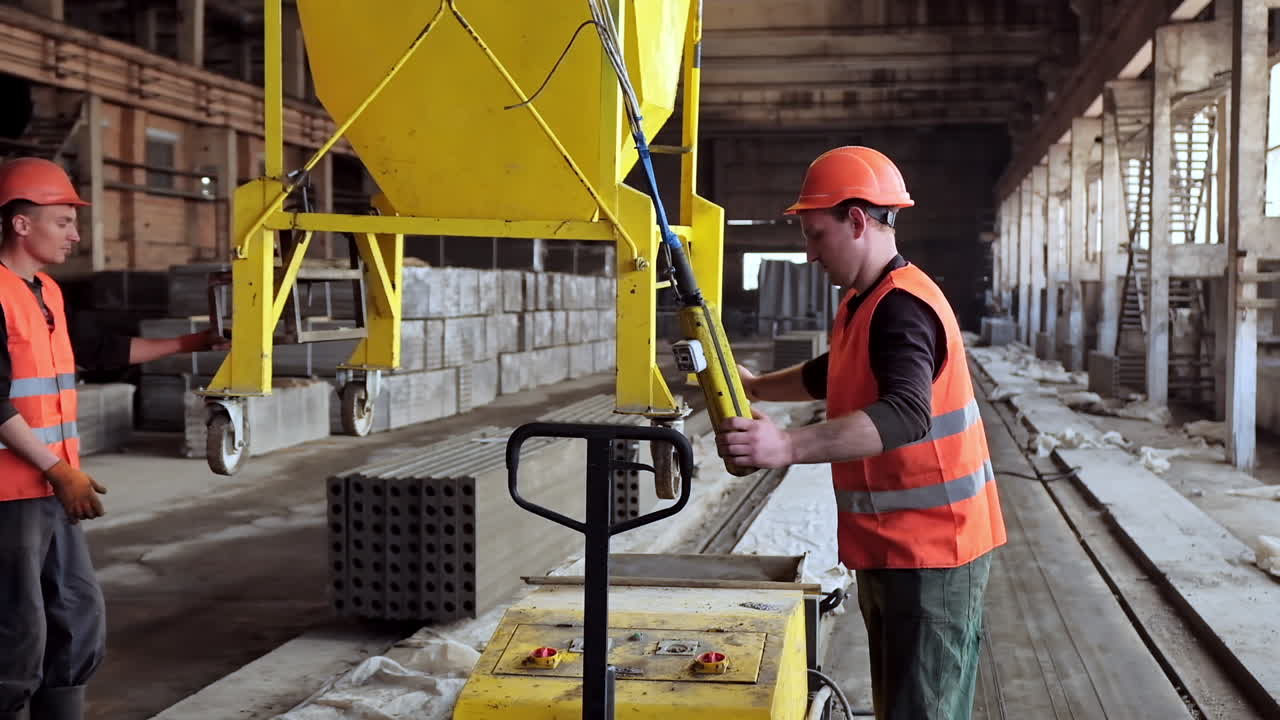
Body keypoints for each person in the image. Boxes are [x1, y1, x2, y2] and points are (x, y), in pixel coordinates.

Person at [717, 146, 1006, 720]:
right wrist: (755, 387)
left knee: (922, 708)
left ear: (856, 220)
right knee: (901, 699)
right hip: (895, 546)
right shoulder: (862, 300)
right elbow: (834, 371)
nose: (808, 254)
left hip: (934, 552)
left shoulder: (903, 308)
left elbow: (905, 413)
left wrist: (788, 447)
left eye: (815, 235)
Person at [0, 157, 227, 720]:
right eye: (63, 222)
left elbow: (104, 353)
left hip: (53, 488)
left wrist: (198, 341)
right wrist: (57, 469)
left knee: (75, 616)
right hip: (10, 496)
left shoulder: (46, 292)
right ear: (20, 224)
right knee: (16, 631)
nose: (77, 234)